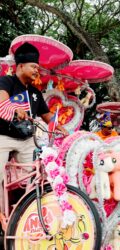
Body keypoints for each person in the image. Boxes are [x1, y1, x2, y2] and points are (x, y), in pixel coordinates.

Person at [0, 42, 68, 213]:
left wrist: (61, 128)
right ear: (21, 66)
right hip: (3, 137)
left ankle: (23, 212)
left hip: (27, 139)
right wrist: (15, 108)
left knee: (32, 178)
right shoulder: (6, 81)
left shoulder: (36, 93)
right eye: (34, 66)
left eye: (38, 67)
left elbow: (47, 116)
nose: (37, 70)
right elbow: (1, 100)